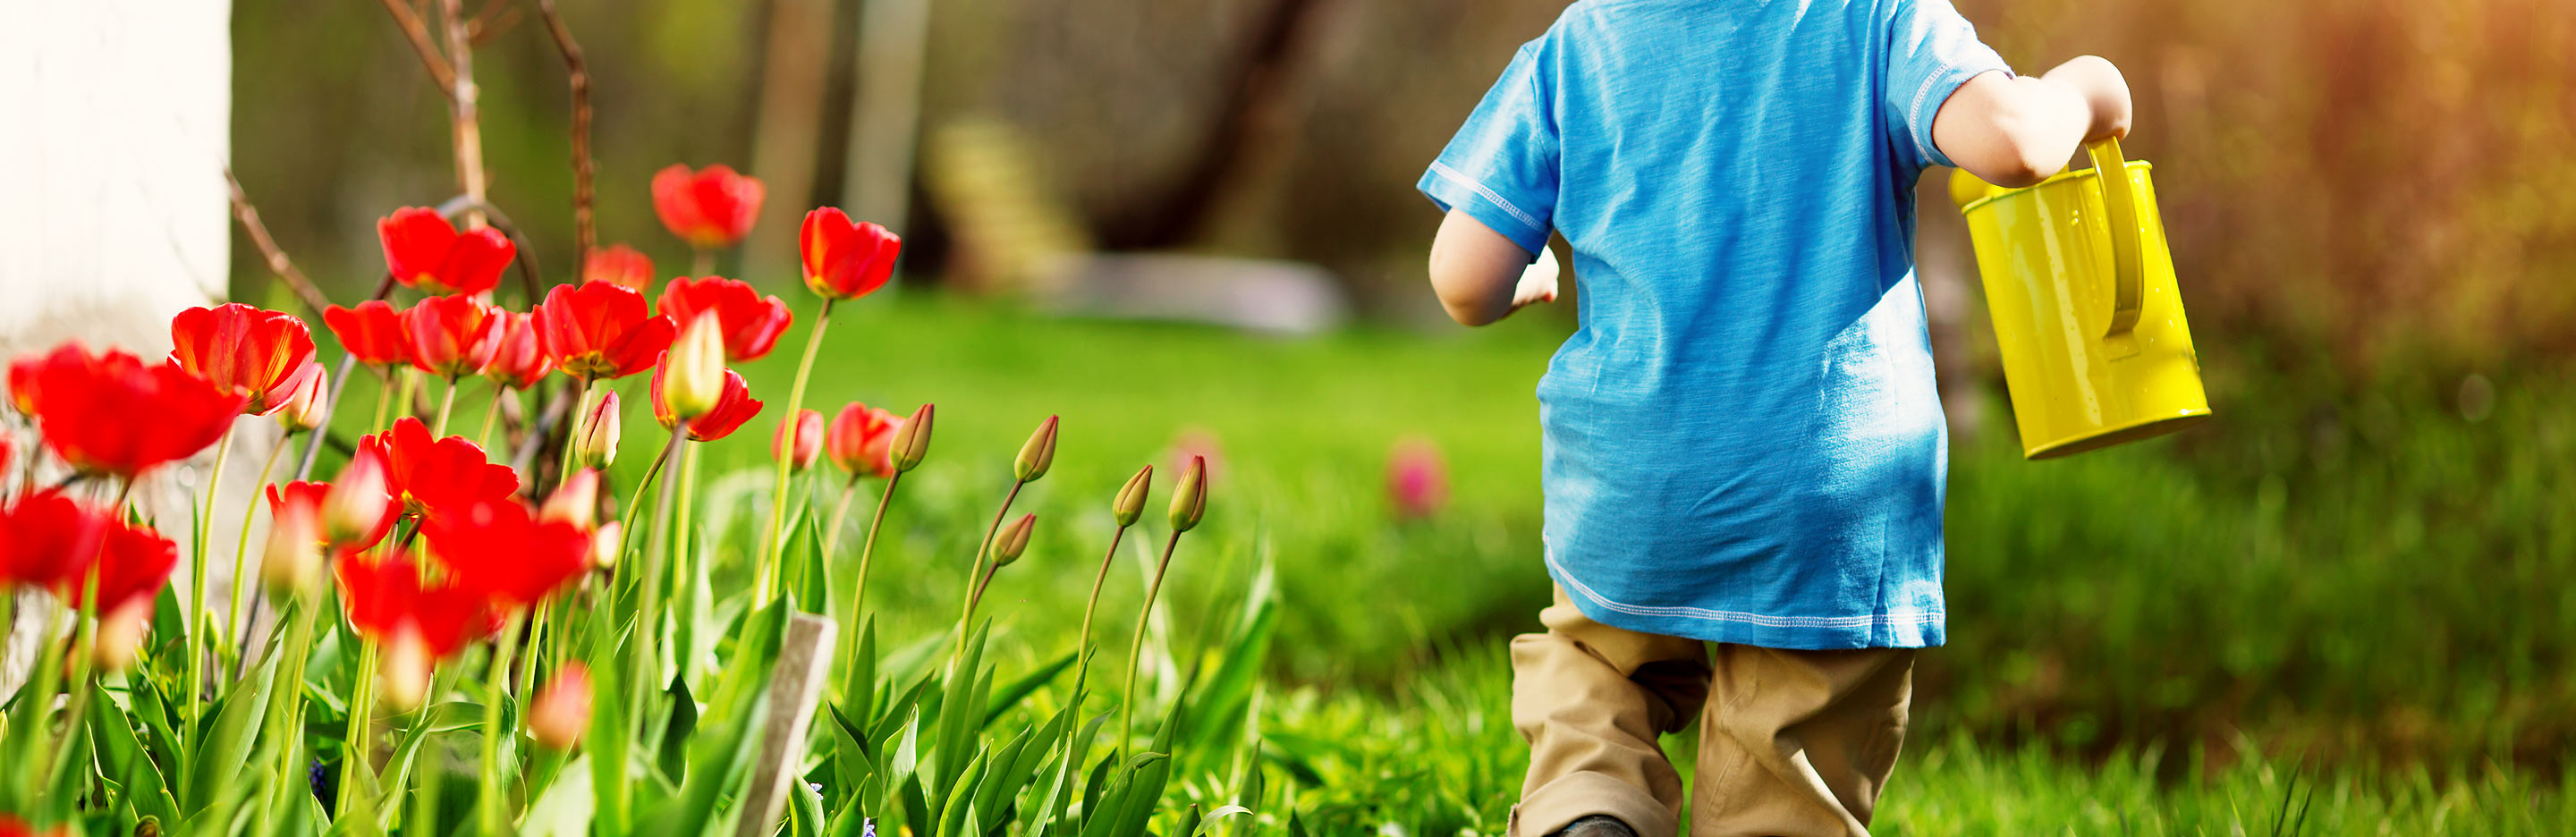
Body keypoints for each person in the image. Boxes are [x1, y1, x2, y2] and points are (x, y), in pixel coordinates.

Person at [1416, 2, 2131, 835]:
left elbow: (1464, 279)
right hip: (1829, 499)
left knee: (1595, 677)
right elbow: (2016, 143)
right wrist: (2087, 89)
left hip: (1634, 493)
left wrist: (1533, 274)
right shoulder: (1879, 19)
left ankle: (1590, 807)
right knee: (1788, 765)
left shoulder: (1580, 44)